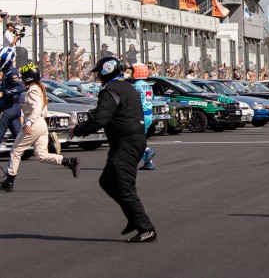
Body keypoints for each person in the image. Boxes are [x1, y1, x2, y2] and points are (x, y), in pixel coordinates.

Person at [70, 56, 157, 243]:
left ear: (105, 73)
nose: (98, 79)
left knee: (125, 187)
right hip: (130, 141)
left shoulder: (110, 91)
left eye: (99, 75)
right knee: (107, 181)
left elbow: (100, 119)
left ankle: (146, 228)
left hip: (127, 143)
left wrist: (77, 131)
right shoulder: (128, 87)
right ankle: (134, 218)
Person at [0, 64, 80, 192]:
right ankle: (68, 161)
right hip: (41, 123)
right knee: (42, 155)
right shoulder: (39, 88)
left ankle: (9, 181)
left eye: (24, 76)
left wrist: (28, 123)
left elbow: (36, 108)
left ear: (28, 77)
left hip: (34, 123)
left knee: (15, 151)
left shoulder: (33, 90)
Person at [126, 63, 156, 171]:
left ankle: (147, 151)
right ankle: (149, 162)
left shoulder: (136, 86)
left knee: (132, 139)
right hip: (148, 114)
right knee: (141, 139)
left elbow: (132, 100)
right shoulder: (147, 85)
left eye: (132, 72)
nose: (131, 75)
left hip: (140, 115)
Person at [0, 47, 24, 142]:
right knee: (18, 137)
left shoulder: (11, 72)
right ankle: (24, 152)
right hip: (13, 108)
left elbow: (20, 87)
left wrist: (4, 93)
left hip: (9, 108)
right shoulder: (7, 72)